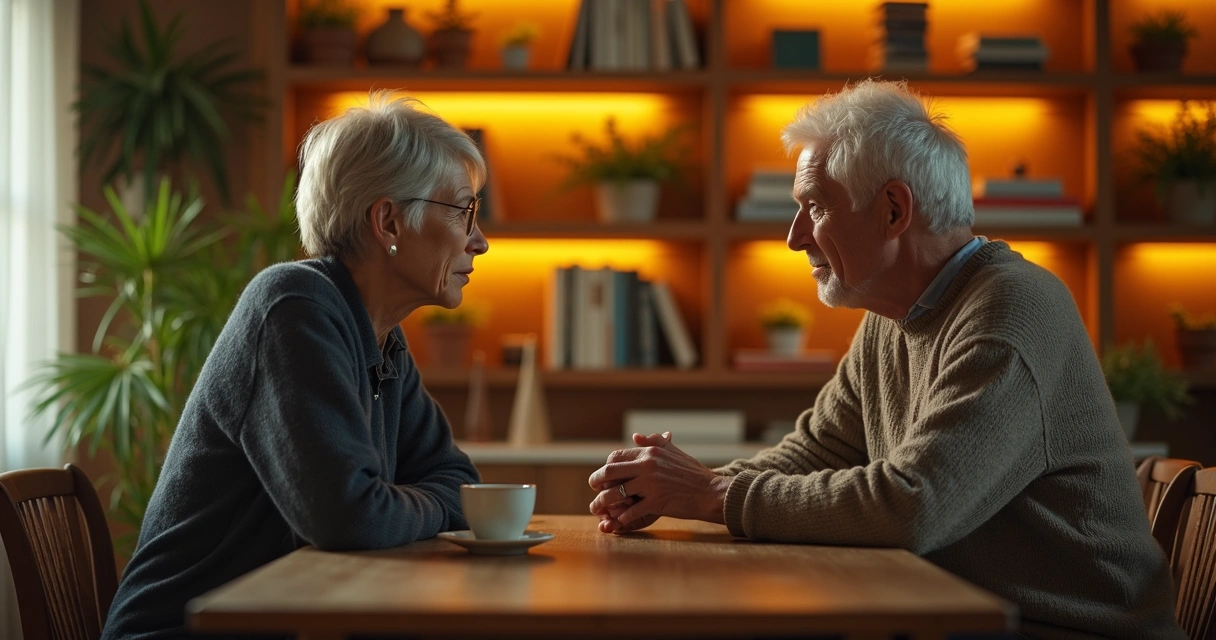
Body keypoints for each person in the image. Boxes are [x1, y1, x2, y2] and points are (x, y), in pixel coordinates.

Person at [588, 79, 1184, 639]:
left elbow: (915, 505)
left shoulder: (1012, 310)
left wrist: (711, 493)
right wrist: (672, 488)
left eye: (815, 206)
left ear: (894, 211)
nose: (795, 237)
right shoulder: (892, 316)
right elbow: (816, 452)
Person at [103, 93, 487, 639]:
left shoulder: (380, 335)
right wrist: (417, 504)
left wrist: (401, 503)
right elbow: (350, 518)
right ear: (389, 222)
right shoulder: (294, 306)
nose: (481, 240)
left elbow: (458, 484)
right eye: (464, 210)